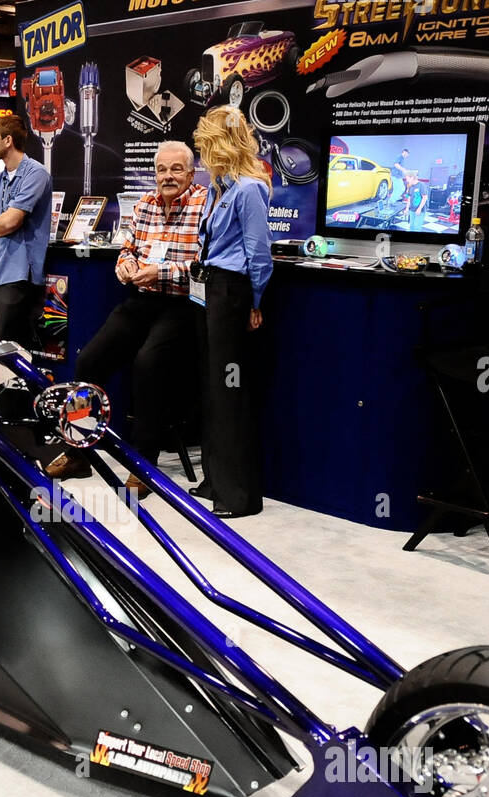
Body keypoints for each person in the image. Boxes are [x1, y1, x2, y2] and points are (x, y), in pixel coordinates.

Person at [48, 141, 208, 498]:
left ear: (191, 172)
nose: (167, 176)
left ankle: (143, 466)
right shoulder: (145, 204)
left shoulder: (204, 204)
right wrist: (128, 268)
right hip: (141, 299)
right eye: (162, 170)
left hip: (181, 304)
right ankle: (78, 454)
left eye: (176, 169)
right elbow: (127, 249)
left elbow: (204, 265)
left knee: (148, 365)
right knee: (88, 360)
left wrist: (160, 272)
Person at [190, 105, 273, 519]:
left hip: (232, 292)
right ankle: (214, 478)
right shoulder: (215, 187)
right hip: (208, 288)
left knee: (229, 392)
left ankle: (238, 494)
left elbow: (259, 254)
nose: (201, 152)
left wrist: (254, 302)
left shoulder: (249, 188)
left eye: (206, 144)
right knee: (210, 387)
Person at [0, 113, 53, 348]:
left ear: (8, 140)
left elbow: (12, 221)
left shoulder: (36, 173)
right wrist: (3, 224)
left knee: (5, 353)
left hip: (19, 276)